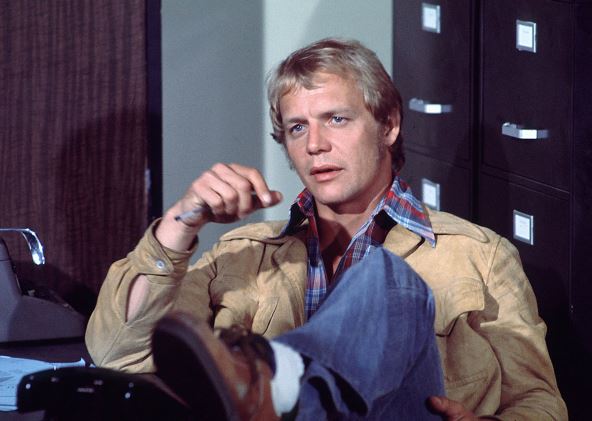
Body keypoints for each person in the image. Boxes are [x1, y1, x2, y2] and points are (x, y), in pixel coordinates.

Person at [86, 38, 567, 420]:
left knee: (387, 279)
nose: (315, 144)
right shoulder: (241, 253)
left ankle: (285, 379)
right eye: (297, 128)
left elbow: (541, 404)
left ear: (389, 125)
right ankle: (285, 387)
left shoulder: (479, 255)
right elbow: (118, 354)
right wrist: (181, 223)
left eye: (336, 119)